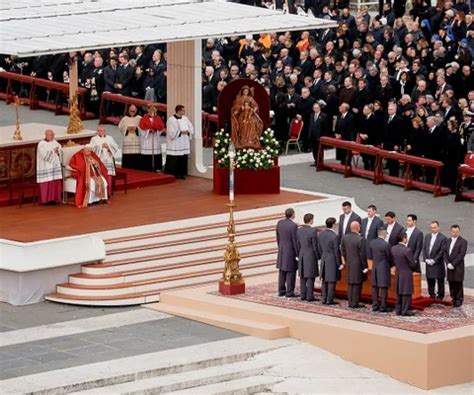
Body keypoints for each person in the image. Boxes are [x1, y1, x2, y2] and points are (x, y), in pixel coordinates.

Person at [341, 221, 368, 308]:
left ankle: (350, 301)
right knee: (357, 284)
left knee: (350, 283)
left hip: (349, 263)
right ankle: (355, 303)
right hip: (358, 265)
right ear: (358, 228)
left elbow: (343, 251)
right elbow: (362, 255)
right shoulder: (360, 239)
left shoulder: (345, 237)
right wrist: (365, 267)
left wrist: (345, 260)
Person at [165, 105, 194, 179]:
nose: (184, 112)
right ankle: (173, 173)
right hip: (175, 142)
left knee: (183, 157)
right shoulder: (171, 120)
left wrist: (188, 131)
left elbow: (191, 127)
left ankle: (181, 173)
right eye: (183, 110)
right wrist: (180, 132)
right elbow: (170, 132)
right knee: (174, 158)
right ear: (178, 111)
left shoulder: (185, 118)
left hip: (183, 142)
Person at [368, 227, 393, 312]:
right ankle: (383, 306)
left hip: (375, 266)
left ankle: (375, 305)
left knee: (375, 287)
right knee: (383, 287)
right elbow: (389, 257)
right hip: (384, 267)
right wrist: (392, 265)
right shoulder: (386, 245)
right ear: (384, 234)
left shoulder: (372, 243)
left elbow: (370, 255)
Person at [392, 233, 417, 316]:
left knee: (399, 292)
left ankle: (398, 310)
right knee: (406, 293)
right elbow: (412, 264)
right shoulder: (407, 250)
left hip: (398, 272)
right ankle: (404, 311)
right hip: (406, 273)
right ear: (404, 239)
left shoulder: (393, 249)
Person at [318, 217, 342, 305]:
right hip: (332, 260)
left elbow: (319, 247)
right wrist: (339, 263)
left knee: (324, 280)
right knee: (331, 280)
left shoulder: (321, 234)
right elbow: (336, 251)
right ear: (334, 225)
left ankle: (324, 298)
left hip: (324, 258)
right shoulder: (335, 236)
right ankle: (329, 300)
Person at [276, 208, 299, 298]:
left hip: (282, 249)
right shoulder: (293, 225)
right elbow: (295, 240)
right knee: (291, 271)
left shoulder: (280, 223)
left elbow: (277, 237)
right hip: (290, 251)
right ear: (293, 214)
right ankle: (289, 291)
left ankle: (281, 290)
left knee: (282, 271)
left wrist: (280, 247)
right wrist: (297, 253)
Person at [296, 213, 320, 302]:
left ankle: (303, 295)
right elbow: (315, 246)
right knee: (310, 277)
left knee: (302, 276)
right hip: (310, 255)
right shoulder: (312, 231)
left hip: (302, 254)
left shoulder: (299, 230)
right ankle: (309, 296)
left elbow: (297, 244)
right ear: (311, 220)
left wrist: (299, 253)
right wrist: (318, 257)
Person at [36, 129, 63, 205]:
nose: (53, 136)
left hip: (54, 166)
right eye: (51, 135)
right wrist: (53, 151)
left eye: (53, 134)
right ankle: (46, 200)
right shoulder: (41, 144)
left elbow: (60, 148)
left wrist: (58, 150)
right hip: (46, 166)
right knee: (47, 182)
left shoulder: (55, 142)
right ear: (46, 135)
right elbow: (44, 155)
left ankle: (54, 199)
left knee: (54, 181)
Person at [444, 225, 468, 307]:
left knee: (458, 282)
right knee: (451, 282)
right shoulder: (448, 241)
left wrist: (453, 264)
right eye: (453, 232)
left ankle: (459, 299)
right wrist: (447, 263)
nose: (455, 233)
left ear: (459, 231)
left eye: (457, 232)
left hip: (458, 266)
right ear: (451, 231)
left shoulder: (463, 241)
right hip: (449, 265)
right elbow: (445, 253)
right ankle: (453, 297)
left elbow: (461, 255)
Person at [423, 221, 447, 300]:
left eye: (434, 227)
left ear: (438, 227)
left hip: (438, 263)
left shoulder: (443, 238)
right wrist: (425, 258)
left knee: (440, 279)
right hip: (428, 261)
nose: (433, 229)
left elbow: (442, 251)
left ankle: (440, 295)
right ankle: (431, 294)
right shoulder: (427, 236)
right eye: (432, 227)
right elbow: (424, 248)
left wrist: (434, 260)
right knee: (430, 278)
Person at [138, 104, 165, 172]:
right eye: (151, 109)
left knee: (156, 153)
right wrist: (148, 131)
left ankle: (156, 168)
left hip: (155, 138)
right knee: (147, 154)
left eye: (154, 110)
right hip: (147, 139)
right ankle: (146, 168)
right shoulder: (143, 118)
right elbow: (141, 128)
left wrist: (157, 130)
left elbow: (161, 127)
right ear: (148, 110)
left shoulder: (158, 118)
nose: (152, 111)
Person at [118, 105, 142, 170]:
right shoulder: (124, 118)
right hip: (127, 139)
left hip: (136, 140)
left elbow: (143, 128)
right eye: (131, 111)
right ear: (128, 111)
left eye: (133, 111)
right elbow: (120, 127)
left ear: (136, 110)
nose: (132, 112)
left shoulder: (139, 118)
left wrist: (137, 129)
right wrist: (127, 129)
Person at [308, 102, 329, 167]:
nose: (316, 109)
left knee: (320, 150)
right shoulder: (311, 115)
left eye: (317, 108)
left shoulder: (324, 116)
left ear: (320, 108)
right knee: (314, 149)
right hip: (313, 135)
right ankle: (316, 161)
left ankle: (320, 162)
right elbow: (311, 125)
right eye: (314, 108)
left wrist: (324, 137)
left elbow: (325, 127)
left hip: (320, 136)